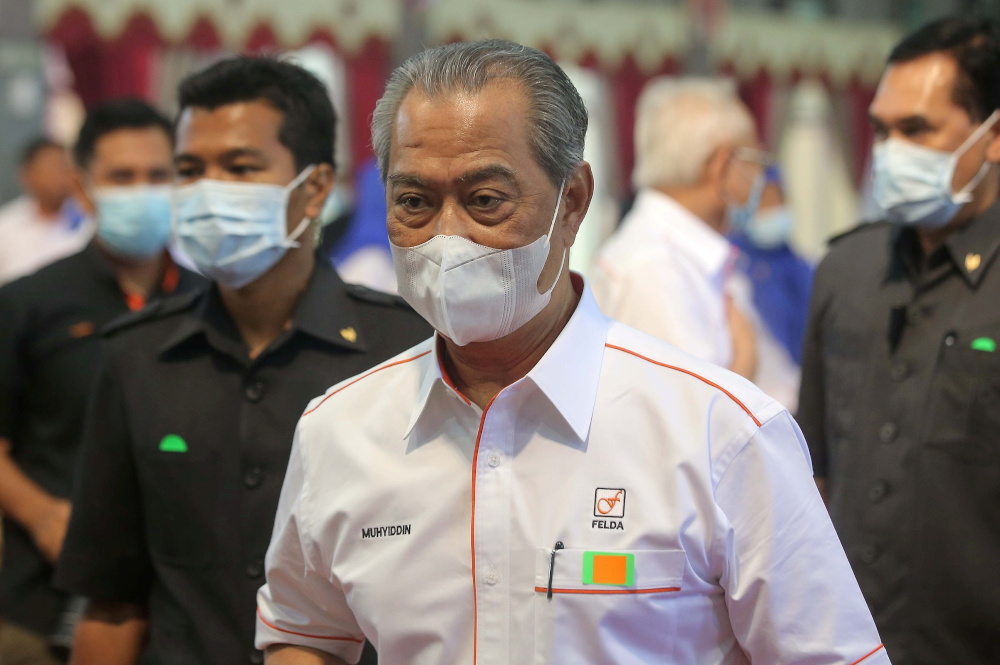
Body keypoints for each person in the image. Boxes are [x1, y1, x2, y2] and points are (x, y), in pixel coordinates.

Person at [257, 40, 889, 665]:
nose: (447, 237)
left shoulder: (720, 435)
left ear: (574, 201)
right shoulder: (338, 430)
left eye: (485, 201)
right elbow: (302, 631)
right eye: (414, 202)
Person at [53, 56, 430, 665]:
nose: (208, 191)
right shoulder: (137, 356)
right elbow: (113, 600)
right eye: (191, 170)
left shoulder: (405, 353)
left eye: (240, 167)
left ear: (312, 190)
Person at [797, 17, 1000, 665]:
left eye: (917, 130)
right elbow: (816, 474)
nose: (890, 153)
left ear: (991, 136)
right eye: (882, 130)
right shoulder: (846, 272)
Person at [0, 99, 204, 665]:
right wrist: (41, 513)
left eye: (158, 175)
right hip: (42, 599)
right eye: (122, 177)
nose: (142, 191)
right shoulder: (27, 303)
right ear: (84, 190)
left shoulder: (210, 305)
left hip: (179, 606)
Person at [590, 78, 764, 381]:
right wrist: (747, 357)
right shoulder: (654, 268)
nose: (760, 176)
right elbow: (694, 418)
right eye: (754, 161)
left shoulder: (674, 256)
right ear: (722, 165)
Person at [729, 165, 815, 410]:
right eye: (763, 199)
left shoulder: (801, 267)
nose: (773, 208)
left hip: (798, 403)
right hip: (748, 407)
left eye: (779, 198)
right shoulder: (729, 266)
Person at [0, 139, 90, 285]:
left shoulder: (89, 221)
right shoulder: (5, 227)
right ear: (27, 175)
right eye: (50, 168)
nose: (59, 176)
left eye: (64, 167)